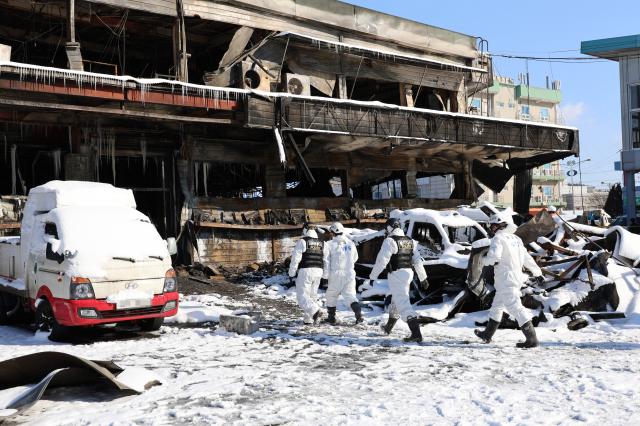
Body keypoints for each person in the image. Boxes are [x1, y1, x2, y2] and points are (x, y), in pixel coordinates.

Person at [474, 214, 544, 348]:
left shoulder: (498, 238)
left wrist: (482, 260)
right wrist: (537, 272)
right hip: (515, 277)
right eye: (491, 226)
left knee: (515, 307)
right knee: (497, 307)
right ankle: (487, 334)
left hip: (505, 278)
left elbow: (494, 257)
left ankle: (532, 339)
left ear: (502, 225)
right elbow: (527, 258)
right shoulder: (516, 239)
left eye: (494, 226)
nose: (492, 229)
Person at [365, 218, 429, 342]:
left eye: (386, 228)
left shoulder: (390, 241)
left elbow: (381, 261)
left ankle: (416, 334)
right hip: (408, 274)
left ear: (390, 227)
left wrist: (372, 277)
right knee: (396, 299)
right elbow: (417, 261)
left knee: (403, 304)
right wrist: (423, 278)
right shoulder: (410, 241)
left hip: (397, 274)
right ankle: (388, 327)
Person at [323, 222, 363, 325]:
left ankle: (331, 318)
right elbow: (355, 258)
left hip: (335, 273)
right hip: (349, 273)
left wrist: (325, 276)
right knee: (350, 296)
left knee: (331, 295)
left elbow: (326, 261)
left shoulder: (329, 244)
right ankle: (358, 314)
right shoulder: (350, 243)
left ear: (333, 232)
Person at [289, 223, 326, 325]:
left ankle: (316, 311)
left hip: (306, 270)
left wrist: (291, 273)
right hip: (319, 271)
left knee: (302, 297)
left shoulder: (302, 241)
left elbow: (296, 259)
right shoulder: (322, 243)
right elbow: (325, 259)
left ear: (305, 230)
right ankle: (308, 319)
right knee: (312, 296)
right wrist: (325, 275)